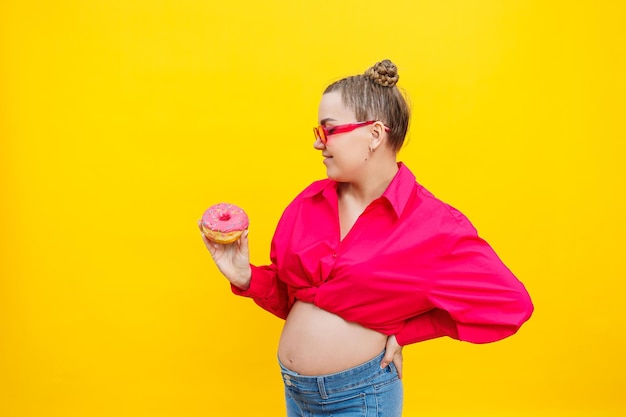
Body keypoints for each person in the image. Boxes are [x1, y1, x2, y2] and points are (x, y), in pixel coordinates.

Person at [199, 59, 533, 417]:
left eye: (329, 130)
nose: (318, 143)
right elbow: (296, 300)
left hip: (360, 398)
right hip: (297, 395)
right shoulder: (308, 202)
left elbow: (510, 305)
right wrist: (246, 277)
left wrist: (407, 332)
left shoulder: (433, 225)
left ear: (375, 134)